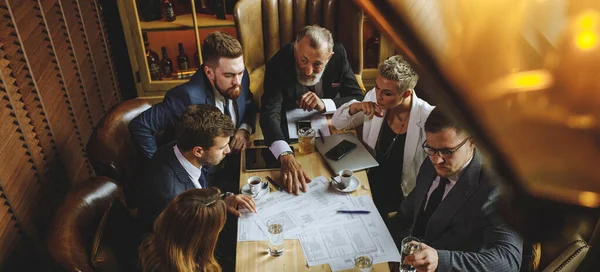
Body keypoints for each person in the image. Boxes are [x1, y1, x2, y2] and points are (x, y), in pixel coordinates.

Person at [389, 107, 523, 272]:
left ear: (473, 141)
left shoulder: (496, 187)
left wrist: (442, 261)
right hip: (416, 262)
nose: (437, 160)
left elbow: (508, 261)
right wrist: (389, 251)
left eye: (447, 151)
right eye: (431, 149)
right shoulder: (431, 163)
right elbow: (407, 212)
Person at [260, 25, 364, 195]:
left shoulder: (339, 56)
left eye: (317, 64)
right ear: (295, 50)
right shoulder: (278, 63)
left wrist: (324, 105)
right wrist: (285, 154)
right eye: (303, 60)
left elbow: (358, 98)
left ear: (329, 58)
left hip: (329, 130)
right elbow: (269, 111)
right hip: (291, 133)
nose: (308, 71)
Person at [331, 55, 434, 216]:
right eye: (377, 87)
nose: (378, 96)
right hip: (367, 183)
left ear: (406, 94)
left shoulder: (427, 118)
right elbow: (338, 123)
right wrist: (356, 106)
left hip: (401, 197)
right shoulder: (375, 98)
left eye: (386, 93)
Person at [129, 32, 256, 158]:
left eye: (240, 72)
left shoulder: (241, 79)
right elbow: (141, 126)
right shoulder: (185, 97)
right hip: (203, 174)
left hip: (235, 160)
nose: (237, 82)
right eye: (229, 75)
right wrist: (160, 168)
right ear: (209, 72)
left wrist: (245, 128)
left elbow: (248, 102)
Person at [137, 104, 256, 233]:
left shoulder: (179, 148)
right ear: (198, 151)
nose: (228, 150)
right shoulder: (174, 198)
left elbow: (201, 191)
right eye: (222, 147)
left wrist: (223, 200)